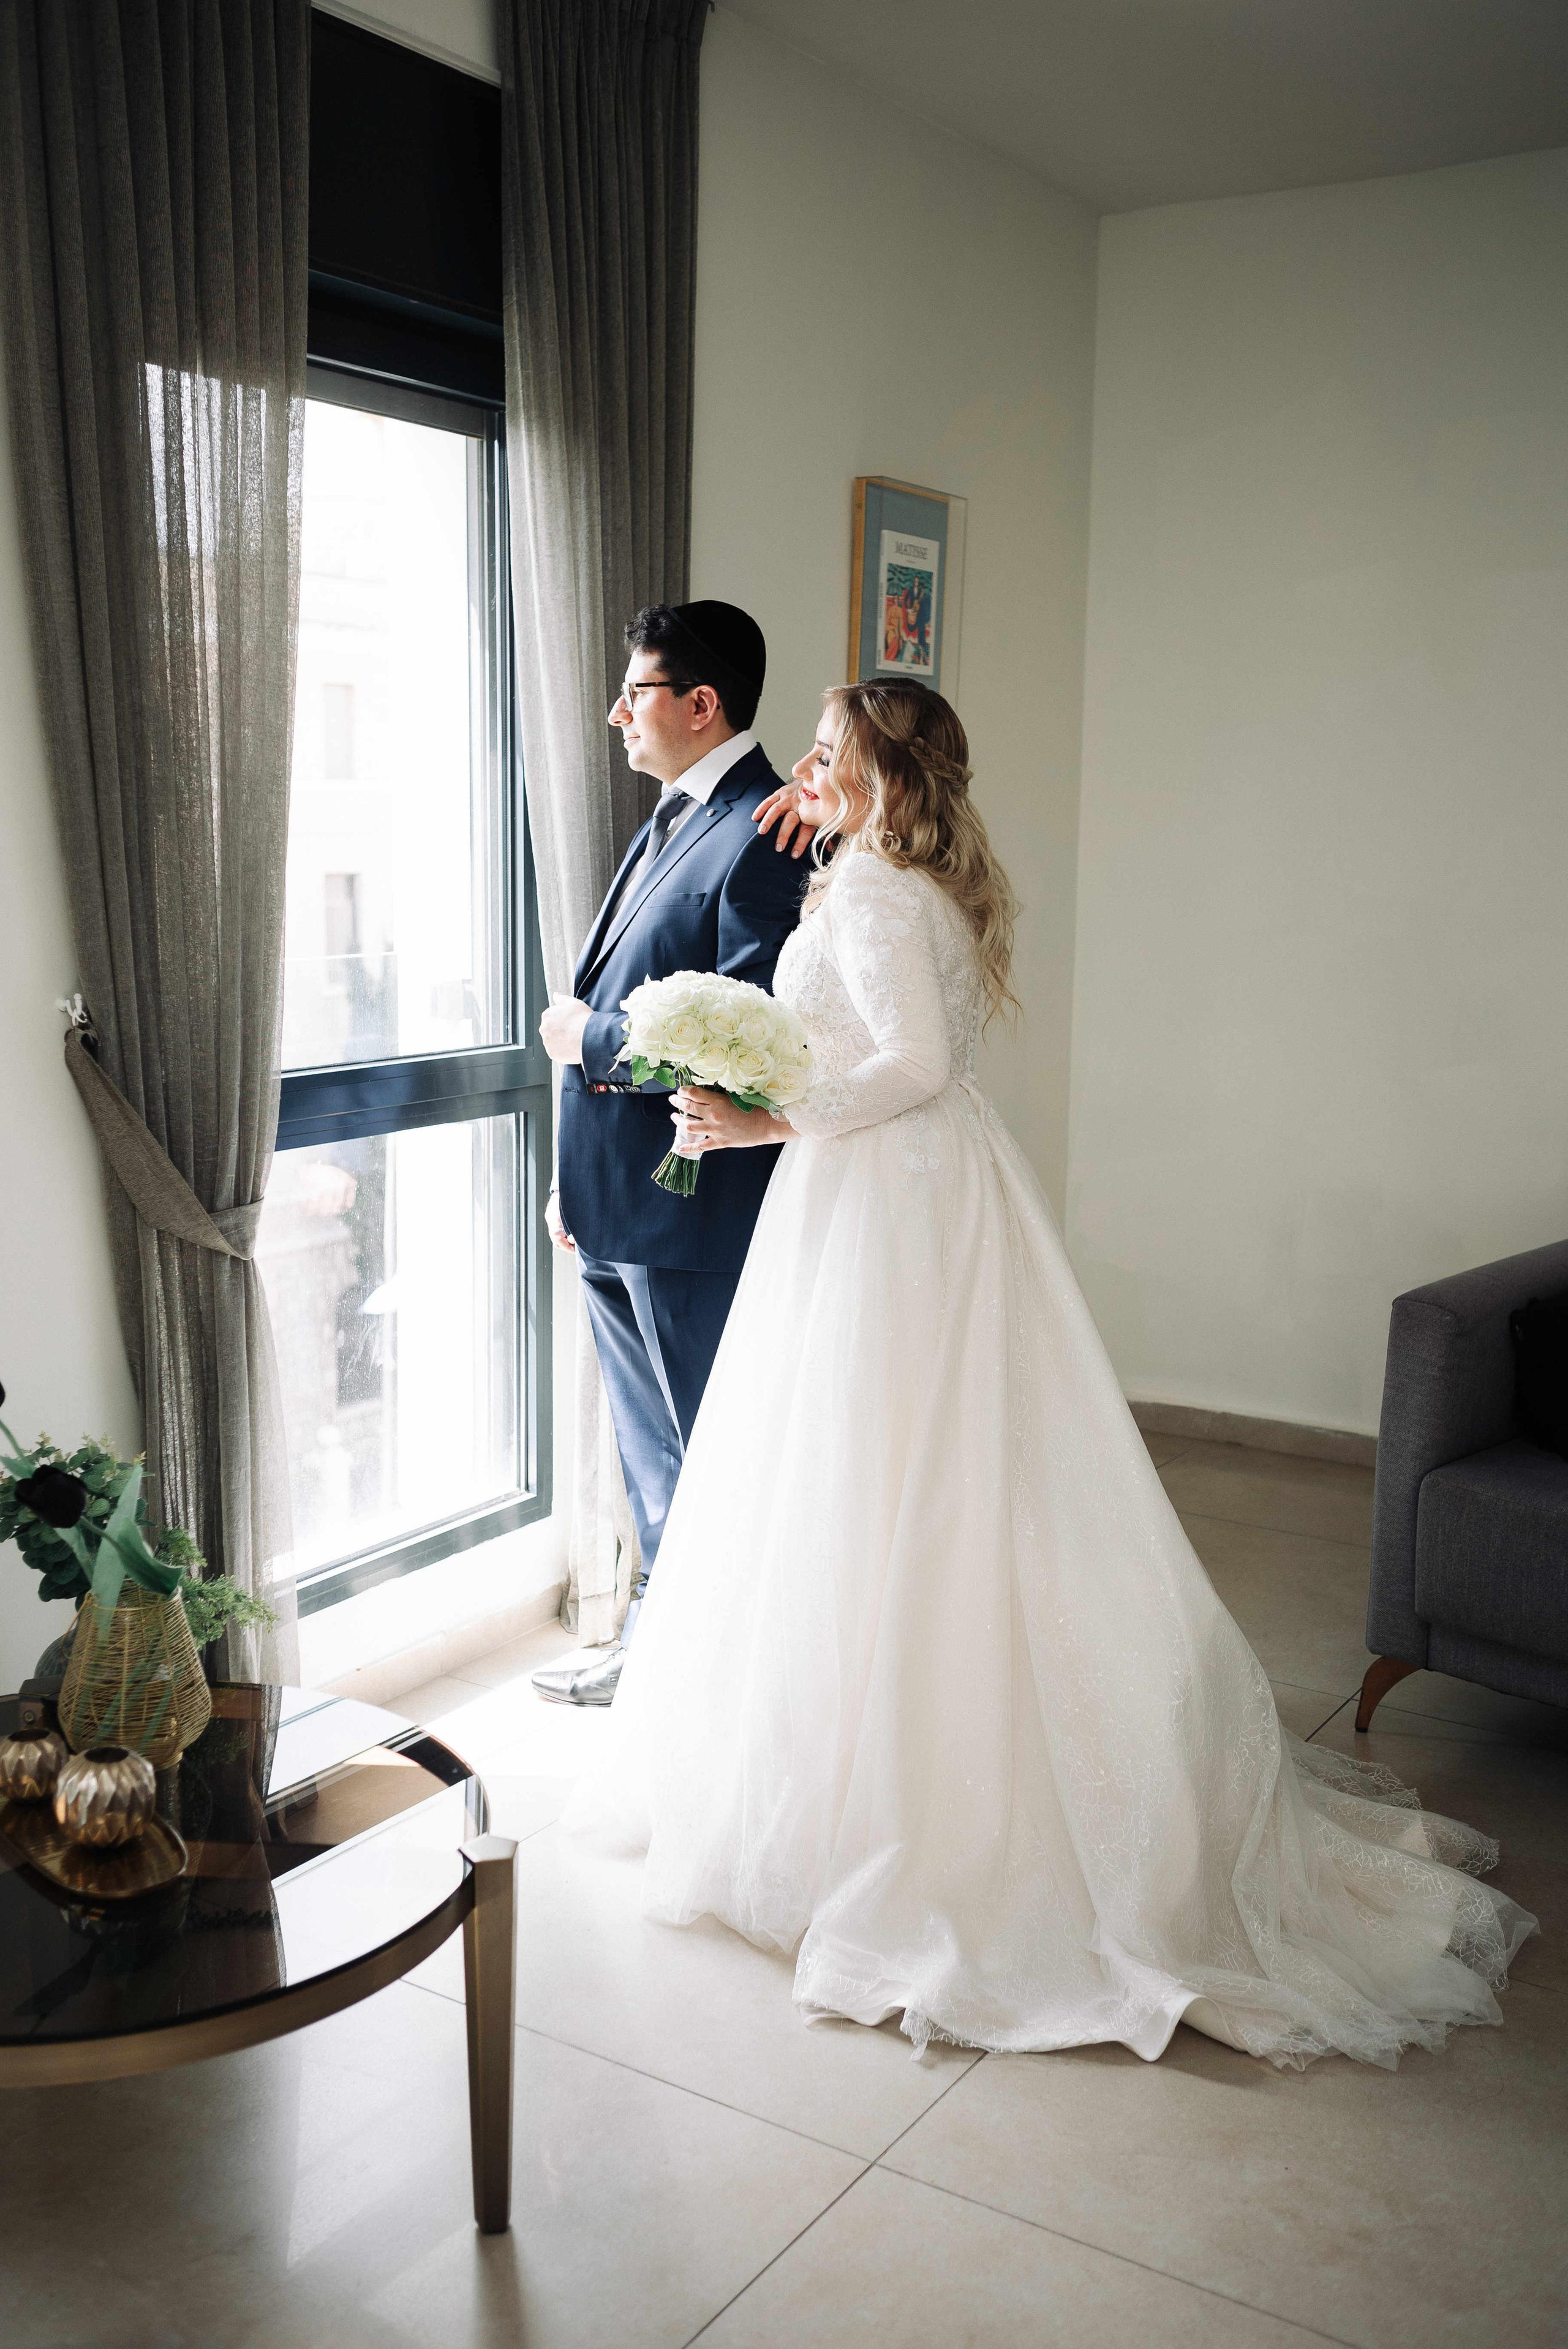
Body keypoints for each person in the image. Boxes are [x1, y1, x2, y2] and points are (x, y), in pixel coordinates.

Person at [568, 676, 1537, 2068]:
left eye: (830, 751)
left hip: (888, 1204)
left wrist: (753, 1121)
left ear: (887, 772)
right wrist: (810, 870)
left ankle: (927, 1811)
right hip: (880, 1197)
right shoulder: (878, 870)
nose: (805, 767)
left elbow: (902, 1064)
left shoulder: (888, 895)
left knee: (900, 1479)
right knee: (865, 1480)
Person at [531, 601, 810, 1708]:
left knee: (710, 1451)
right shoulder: (673, 815)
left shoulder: (769, 831)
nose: (614, 714)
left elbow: (752, 1046)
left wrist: (584, 1040)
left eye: (634, 692)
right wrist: (570, 1178)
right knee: (648, 1456)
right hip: (612, 1202)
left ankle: (732, 1686)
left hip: (693, 1211)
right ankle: (663, 1662)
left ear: (703, 704)